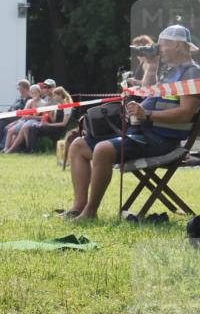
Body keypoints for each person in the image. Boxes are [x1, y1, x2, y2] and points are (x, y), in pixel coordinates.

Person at [64, 24, 200, 220]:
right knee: (78, 146)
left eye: (162, 45)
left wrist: (148, 115)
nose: (158, 49)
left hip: (162, 141)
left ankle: (90, 212)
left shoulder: (192, 74)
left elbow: (186, 113)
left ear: (177, 46)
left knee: (103, 149)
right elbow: (149, 96)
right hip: (143, 133)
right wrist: (151, 67)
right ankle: (78, 206)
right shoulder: (169, 72)